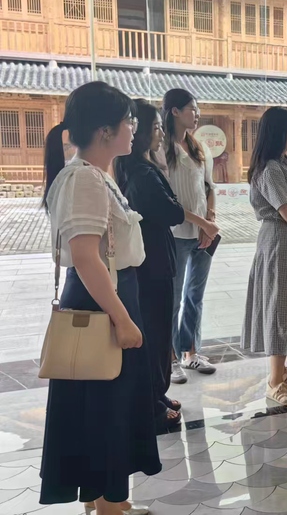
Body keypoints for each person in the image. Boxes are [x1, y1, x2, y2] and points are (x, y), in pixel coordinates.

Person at [41, 81, 160, 514]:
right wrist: (122, 319)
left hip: (106, 293)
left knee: (103, 405)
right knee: (107, 406)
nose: (134, 129)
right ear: (105, 131)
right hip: (103, 299)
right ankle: (108, 504)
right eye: (129, 121)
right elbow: (85, 256)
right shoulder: (85, 179)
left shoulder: (93, 175)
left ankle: (104, 497)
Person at [114, 100, 220, 432]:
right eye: (155, 127)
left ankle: (158, 395)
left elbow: (196, 192)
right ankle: (153, 402)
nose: (159, 133)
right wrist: (181, 209)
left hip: (156, 258)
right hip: (153, 262)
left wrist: (206, 217)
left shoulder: (142, 167)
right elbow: (171, 210)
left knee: (167, 319)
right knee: (157, 329)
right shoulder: (143, 172)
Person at [242, 107, 287, 406]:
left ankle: (281, 370)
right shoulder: (270, 168)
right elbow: (286, 211)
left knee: (286, 304)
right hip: (279, 241)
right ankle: (274, 382)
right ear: (278, 131)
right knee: (279, 307)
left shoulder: (283, 163)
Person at [163, 88, 218, 383]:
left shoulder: (198, 147)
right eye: (192, 109)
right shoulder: (161, 149)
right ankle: (170, 358)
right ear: (174, 111)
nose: (196, 114)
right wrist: (202, 224)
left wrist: (210, 221)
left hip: (203, 234)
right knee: (173, 299)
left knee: (195, 296)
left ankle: (191, 352)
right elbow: (167, 202)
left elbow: (209, 188)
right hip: (176, 234)